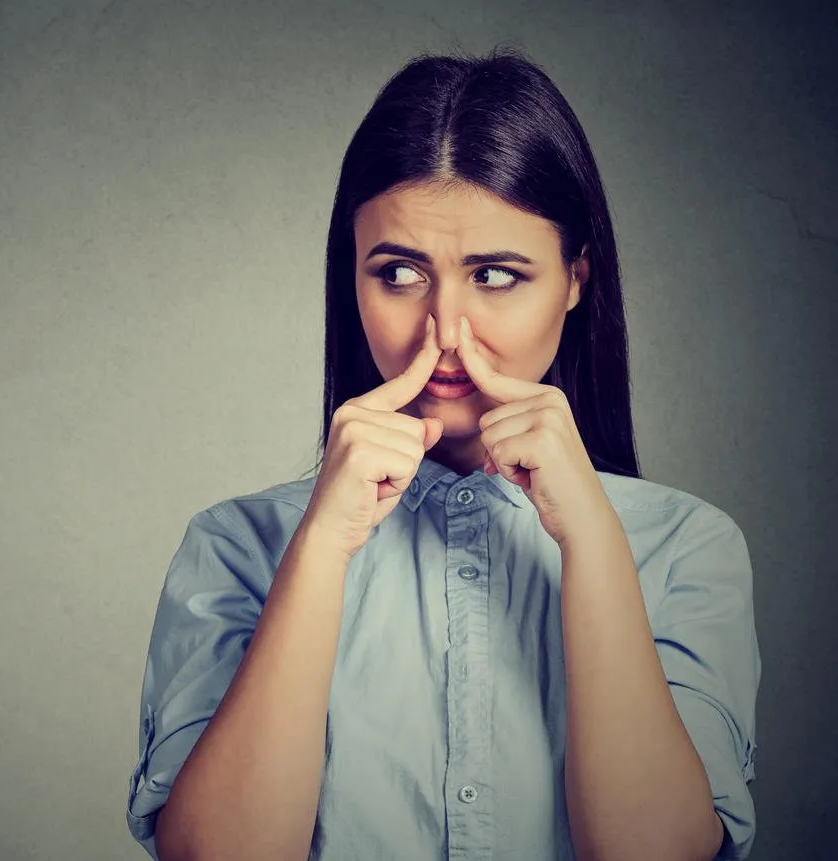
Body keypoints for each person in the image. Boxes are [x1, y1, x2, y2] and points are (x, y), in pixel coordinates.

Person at [125, 47, 760, 861]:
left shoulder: (685, 548)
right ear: (349, 280)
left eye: (495, 275)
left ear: (574, 279)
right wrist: (319, 546)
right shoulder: (234, 546)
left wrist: (595, 542)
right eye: (397, 273)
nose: (445, 333)